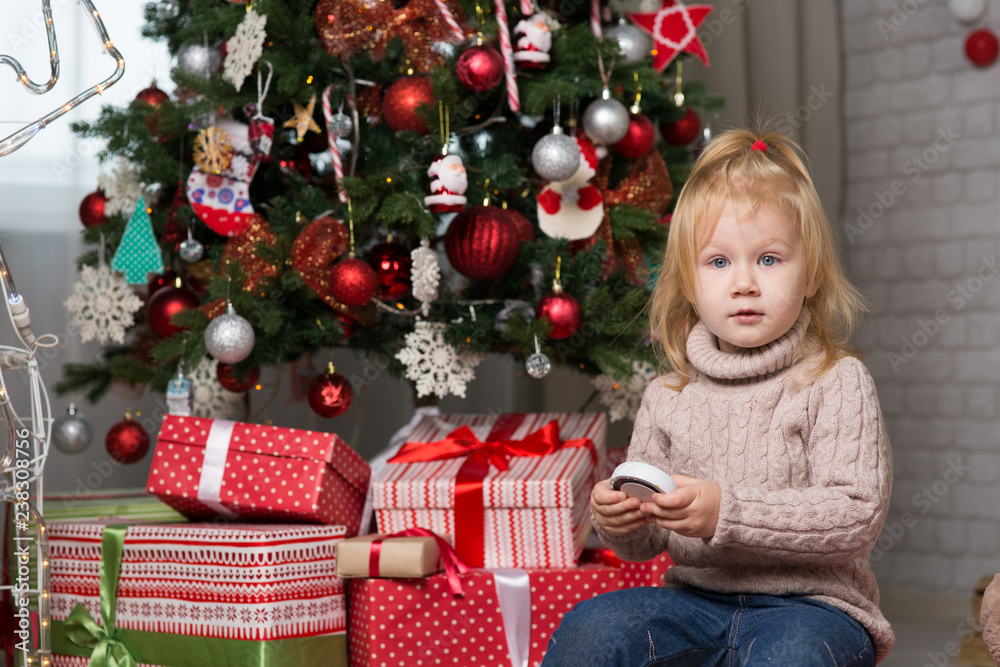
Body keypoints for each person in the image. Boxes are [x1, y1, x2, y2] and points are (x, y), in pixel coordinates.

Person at [542, 129, 894, 666]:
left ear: (813, 273)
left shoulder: (835, 380)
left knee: (792, 654)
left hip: (814, 609)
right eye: (719, 262)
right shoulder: (668, 394)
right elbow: (645, 542)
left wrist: (725, 512)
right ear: (687, 281)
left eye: (770, 260)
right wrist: (621, 520)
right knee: (592, 630)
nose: (745, 283)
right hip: (694, 601)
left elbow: (855, 515)